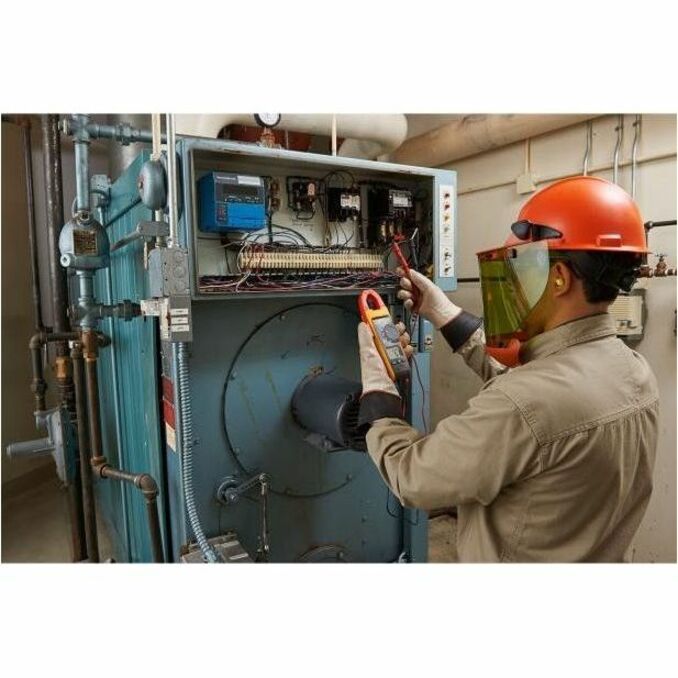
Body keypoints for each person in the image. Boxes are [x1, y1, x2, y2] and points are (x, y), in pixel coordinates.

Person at [357, 176, 659, 562]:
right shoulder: (634, 371)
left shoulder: (525, 404)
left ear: (560, 278)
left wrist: (378, 389)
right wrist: (440, 311)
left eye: (522, 266)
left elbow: (412, 476)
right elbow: (536, 395)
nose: (514, 282)